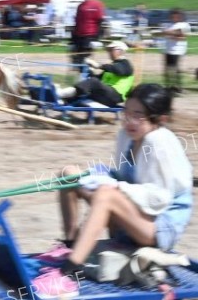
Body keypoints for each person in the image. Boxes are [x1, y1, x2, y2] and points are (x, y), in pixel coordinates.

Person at [32, 83, 193, 298]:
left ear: (160, 119)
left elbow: (159, 198)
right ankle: (70, 245)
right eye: (126, 112)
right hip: (136, 214)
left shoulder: (159, 142)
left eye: (138, 115)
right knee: (69, 174)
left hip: (160, 226)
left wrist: (115, 186)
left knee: (106, 195)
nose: (129, 120)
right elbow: (123, 177)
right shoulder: (126, 136)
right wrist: (100, 175)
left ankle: (68, 274)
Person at [57, 41, 134, 107]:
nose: (109, 53)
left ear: (119, 51)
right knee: (88, 88)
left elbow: (120, 70)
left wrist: (99, 66)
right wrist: (89, 71)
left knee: (93, 82)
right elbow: (97, 79)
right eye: (108, 51)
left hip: (116, 96)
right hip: (106, 94)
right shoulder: (112, 66)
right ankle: (64, 101)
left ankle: (60, 94)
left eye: (111, 50)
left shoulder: (126, 64)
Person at [71, 0, 105, 70]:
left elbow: (101, 21)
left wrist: (97, 38)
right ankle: (81, 78)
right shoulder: (80, 6)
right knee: (76, 60)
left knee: (86, 60)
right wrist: (72, 40)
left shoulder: (97, 4)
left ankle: (88, 77)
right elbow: (77, 23)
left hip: (90, 36)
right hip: (79, 37)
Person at [161, 8, 190, 94]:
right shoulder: (169, 24)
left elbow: (182, 36)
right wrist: (172, 33)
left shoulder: (184, 24)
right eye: (173, 16)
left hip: (177, 50)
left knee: (175, 68)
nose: (174, 18)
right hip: (168, 49)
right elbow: (165, 33)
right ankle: (168, 86)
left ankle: (178, 87)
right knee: (167, 69)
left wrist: (170, 33)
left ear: (180, 16)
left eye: (176, 16)